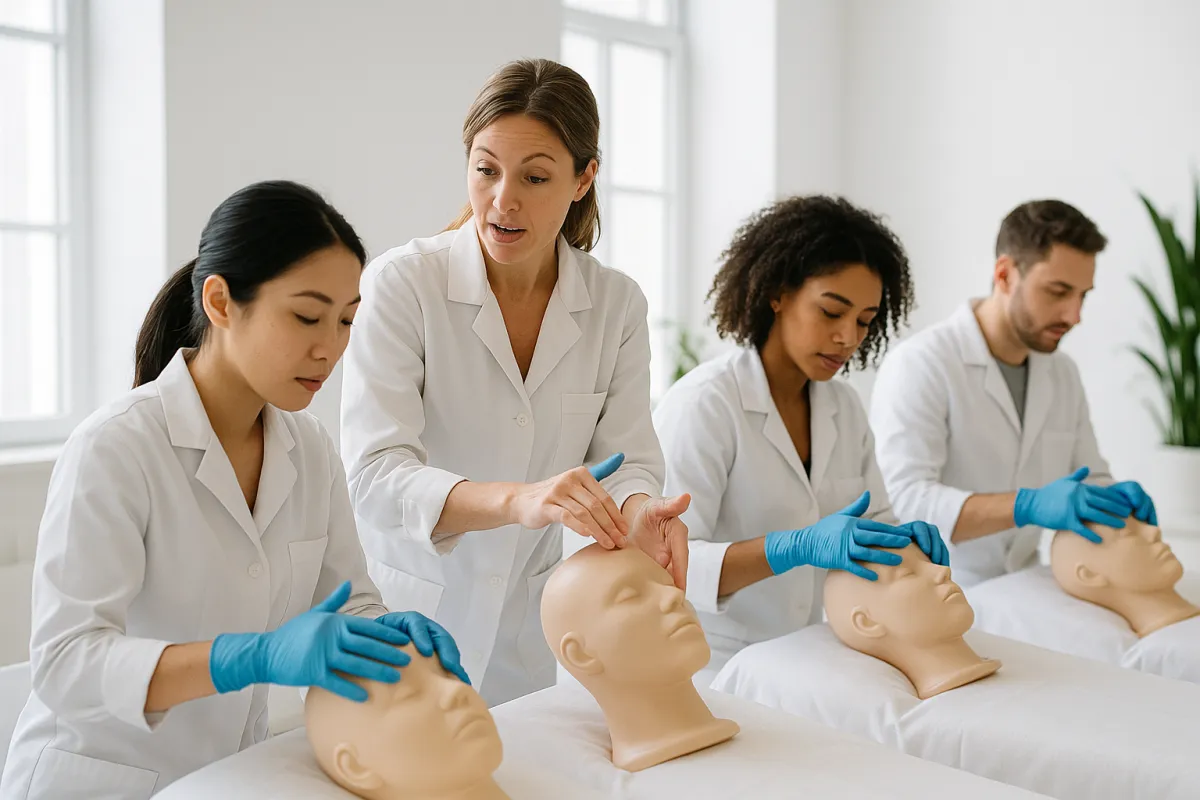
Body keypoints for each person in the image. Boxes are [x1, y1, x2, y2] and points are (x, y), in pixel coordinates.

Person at [0, 181, 465, 800]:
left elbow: (346, 601)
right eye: (306, 315)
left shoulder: (310, 446)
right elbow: (66, 666)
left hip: (224, 781)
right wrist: (248, 657)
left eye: (347, 320)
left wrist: (388, 629)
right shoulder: (116, 447)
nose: (330, 348)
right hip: (98, 782)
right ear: (220, 301)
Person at [340, 59, 689, 707]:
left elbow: (628, 457)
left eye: (535, 177)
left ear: (585, 178)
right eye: (485, 169)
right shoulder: (404, 284)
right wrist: (517, 501)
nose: (504, 200)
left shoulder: (615, 304)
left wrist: (641, 511)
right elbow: (373, 475)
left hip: (528, 627)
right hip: (408, 608)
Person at [652, 196, 947, 676]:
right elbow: (667, 564)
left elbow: (871, 519)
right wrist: (791, 547)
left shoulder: (843, 407)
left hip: (807, 657)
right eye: (832, 312)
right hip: (711, 666)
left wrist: (899, 539)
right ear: (777, 293)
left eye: (865, 322)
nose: (848, 337)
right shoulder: (707, 404)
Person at [869, 199, 1155, 587]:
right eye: (1058, 292)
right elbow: (904, 503)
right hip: (941, 589)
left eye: (1083, 295)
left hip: (1026, 584)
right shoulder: (922, 364)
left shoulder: (1062, 373)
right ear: (1004, 275)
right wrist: (1027, 506)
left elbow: (1088, 478)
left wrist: (1114, 500)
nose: (1074, 316)